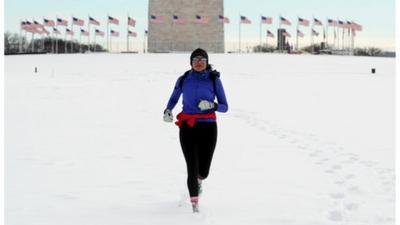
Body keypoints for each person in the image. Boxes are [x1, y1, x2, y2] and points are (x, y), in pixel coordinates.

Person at [163, 48, 228, 213]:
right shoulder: (183, 79)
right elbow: (174, 98)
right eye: (195, 59)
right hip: (188, 126)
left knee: (203, 171)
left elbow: (225, 107)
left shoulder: (214, 80)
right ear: (191, 63)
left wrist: (212, 106)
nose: (199, 62)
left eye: (202, 60)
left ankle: (199, 181)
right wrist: (168, 110)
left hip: (208, 127)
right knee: (191, 167)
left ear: (206, 63)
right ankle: (194, 207)